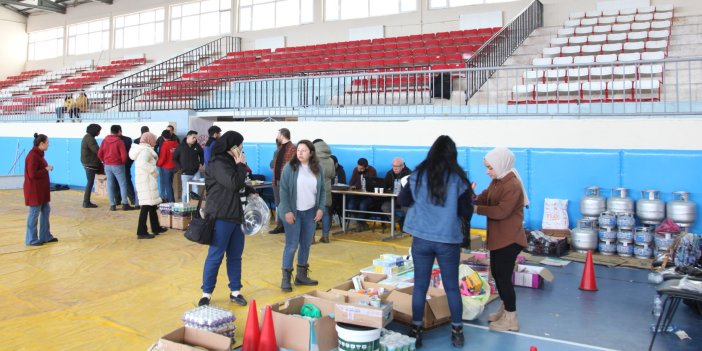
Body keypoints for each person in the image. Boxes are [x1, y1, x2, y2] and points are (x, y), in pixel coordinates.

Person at [398, 135, 473, 348]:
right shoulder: (459, 180)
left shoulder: (418, 176)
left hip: (421, 238)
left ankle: (416, 329)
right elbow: (466, 212)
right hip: (448, 240)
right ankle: (457, 332)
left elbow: (403, 200)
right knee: (451, 287)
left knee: (420, 285)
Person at [474, 147, 529, 333]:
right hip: (499, 239)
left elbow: (501, 211)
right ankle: (504, 309)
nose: (487, 171)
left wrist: (476, 210)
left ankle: (511, 318)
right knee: (497, 275)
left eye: (490, 168)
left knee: (503, 278)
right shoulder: (497, 182)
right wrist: (471, 198)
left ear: (500, 165)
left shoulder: (512, 185)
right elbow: (485, 197)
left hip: (510, 239)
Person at [198, 131, 251, 307]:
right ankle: (206, 292)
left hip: (236, 216)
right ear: (232, 146)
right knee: (215, 255)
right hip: (221, 215)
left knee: (235, 256)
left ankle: (235, 291)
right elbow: (234, 183)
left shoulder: (232, 162)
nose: (241, 149)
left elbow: (241, 185)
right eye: (239, 145)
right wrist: (241, 165)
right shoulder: (218, 163)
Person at [278, 140, 325, 292]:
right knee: (291, 246)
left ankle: (301, 276)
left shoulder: (318, 169)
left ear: (311, 153)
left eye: (304, 150)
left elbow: (323, 190)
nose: (300, 153)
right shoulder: (289, 168)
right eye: (298, 150)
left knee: (305, 244)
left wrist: (320, 209)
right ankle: (286, 278)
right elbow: (283, 191)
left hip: (310, 212)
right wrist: (286, 211)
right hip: (293, 212)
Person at [129, 132, 168, 239]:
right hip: (146, 181)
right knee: (146, 206)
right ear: (149, 140)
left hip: (146, 181)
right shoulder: (145, 151)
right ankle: (141, 232)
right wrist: (154, 172)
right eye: (154, 139)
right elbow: (143, 164)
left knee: (152, 205)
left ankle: (156, 228)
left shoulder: (144, 149)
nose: (155, 141)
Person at [24, 133, 58, 246]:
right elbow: (32, 174)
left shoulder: (39, 155)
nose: (49, 145)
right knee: (34, 214)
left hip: (41, 190)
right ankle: (31, 239)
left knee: (45, 210)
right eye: (47, 142)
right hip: (34, 190)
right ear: (41, 143)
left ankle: (45, 236)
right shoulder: (32, 156)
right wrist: (46, 169)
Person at [98, 125, 134, 211]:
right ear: (119, 131)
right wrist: (122, 162)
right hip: (118, 165)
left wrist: (104, 161)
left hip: (107, 165)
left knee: (110, 184)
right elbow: (124, 156)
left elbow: (99, 154)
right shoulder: (119, 141)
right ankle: (125, 204)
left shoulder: (105, 140)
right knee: (122, 184)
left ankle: (112, 205)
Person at [269, 128, 296, 234]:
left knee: (286, 203)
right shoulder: (280, 148)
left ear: (282, 135)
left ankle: (288, 225)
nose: (276, 137)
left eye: (278, 135)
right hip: (276, 181)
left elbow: (293, 166)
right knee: (279, 204)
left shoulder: (292, 148)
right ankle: (280, 226)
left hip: (285, 181)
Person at [313, 139, 335, 244]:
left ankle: (311, 238)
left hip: (314, 190)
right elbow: (332, 175)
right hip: (326, 189)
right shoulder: (331, 160)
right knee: (326, 214)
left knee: (312, 215)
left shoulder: (313, 159)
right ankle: (325, 237)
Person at [174, 130, 204, 203]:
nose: (195, 139)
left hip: (196, 172)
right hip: (185, 173)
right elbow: (174, 158)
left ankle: (195, 208)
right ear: (188, 137)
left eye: (195, 138)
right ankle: (184, 208)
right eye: (193, 137)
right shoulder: (180, 147)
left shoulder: (197, 146)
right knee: (185, 192)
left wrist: (201, 163)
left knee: (196, 191)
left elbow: (202, 155)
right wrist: (180, 167)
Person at [381, 157, 412, 230]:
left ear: (403, 166)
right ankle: (399, 220)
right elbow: (384, 185)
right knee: (384, 207)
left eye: (397, 166)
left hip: (404, 200)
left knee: (406, 209)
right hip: (393, 199)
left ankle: (405, 225)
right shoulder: (389, 173)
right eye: (393, 166)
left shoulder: (409, 174)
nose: (395, 168)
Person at [347, 157, 377, 231]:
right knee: (350, 205)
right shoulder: (355, 170)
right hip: (358, 195)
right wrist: (352, 186)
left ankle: (359, 224)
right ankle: (361, 222)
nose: (359, 170)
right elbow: (351, 183)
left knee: (363, 204)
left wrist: (357, 186)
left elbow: (370, 185)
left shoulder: (372, 171)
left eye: (361, 169)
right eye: (358, 168)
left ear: (366, 167)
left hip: (368, 196)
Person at [114, 126, 138, 208]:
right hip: (124, 164)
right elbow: (130, 153)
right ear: (120, 131)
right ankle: (132, 200)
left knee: (119, 181)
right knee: (126, 181)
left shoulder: (111, 140)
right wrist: (128, 163)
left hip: (119, 164)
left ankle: (118, 200)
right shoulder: (128, 139)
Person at [80, 124, 101, 208]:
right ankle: (86, 202)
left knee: (90, 182)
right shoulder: (90, 139)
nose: (99, 132)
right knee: (90, 182)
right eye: (98, 130)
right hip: (90, 164)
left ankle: (86, 201)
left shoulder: (87, 137)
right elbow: (97, 151)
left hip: (88, 163)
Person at [156, 130, 178, 203]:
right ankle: (171, 199)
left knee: (168, 185)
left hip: (166, 168)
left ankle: (171, 201)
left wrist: (157, 164)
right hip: (174, 167)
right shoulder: (176, 144)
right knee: (170, 184)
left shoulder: (164, 145)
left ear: (163, 137)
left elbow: (162, 158)